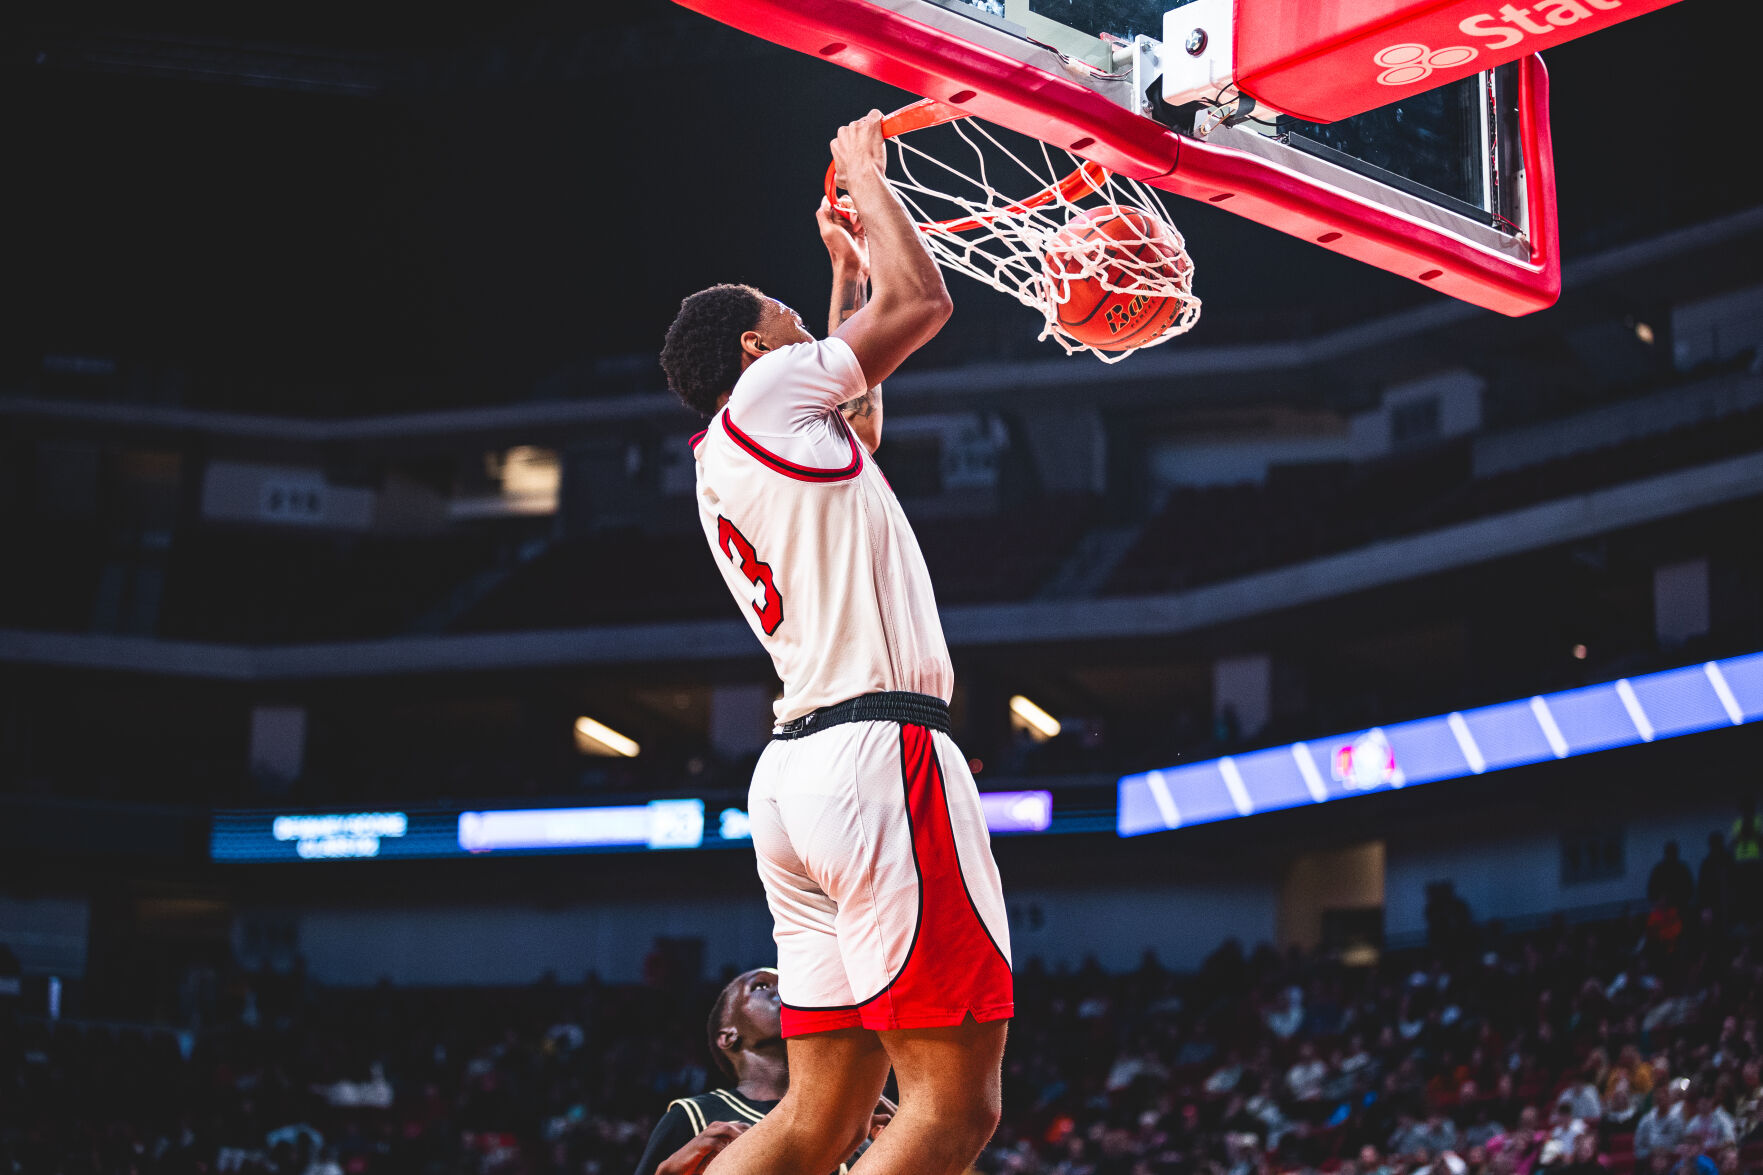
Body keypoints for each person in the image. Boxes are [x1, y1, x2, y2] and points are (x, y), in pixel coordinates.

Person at [660, 111, 1008, 1175]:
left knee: (820, 1119)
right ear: (755, 352)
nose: (808, 337)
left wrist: (843, 270)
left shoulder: (730, 448)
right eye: (788, 318)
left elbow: (855, 415)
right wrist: (866, 172)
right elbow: (927, 302)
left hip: (799, 777)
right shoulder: (767, 391)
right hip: (872, 757)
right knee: (951, 1109)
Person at [633, 969, 890, 1175]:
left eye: (790, 983)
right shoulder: (694, 1115)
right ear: (729, 1036)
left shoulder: (856, 1120)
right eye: (761, 986)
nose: (786, 990)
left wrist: (913, 1147)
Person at [1649, 842, 1695, 914]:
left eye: (1672, 852)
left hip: (1679, 908)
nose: (1671, 855)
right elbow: (1651, 892)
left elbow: (1690, 889)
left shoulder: (1682, 869)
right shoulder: (1660, 869)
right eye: (1670, 852)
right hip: (1666, 910)